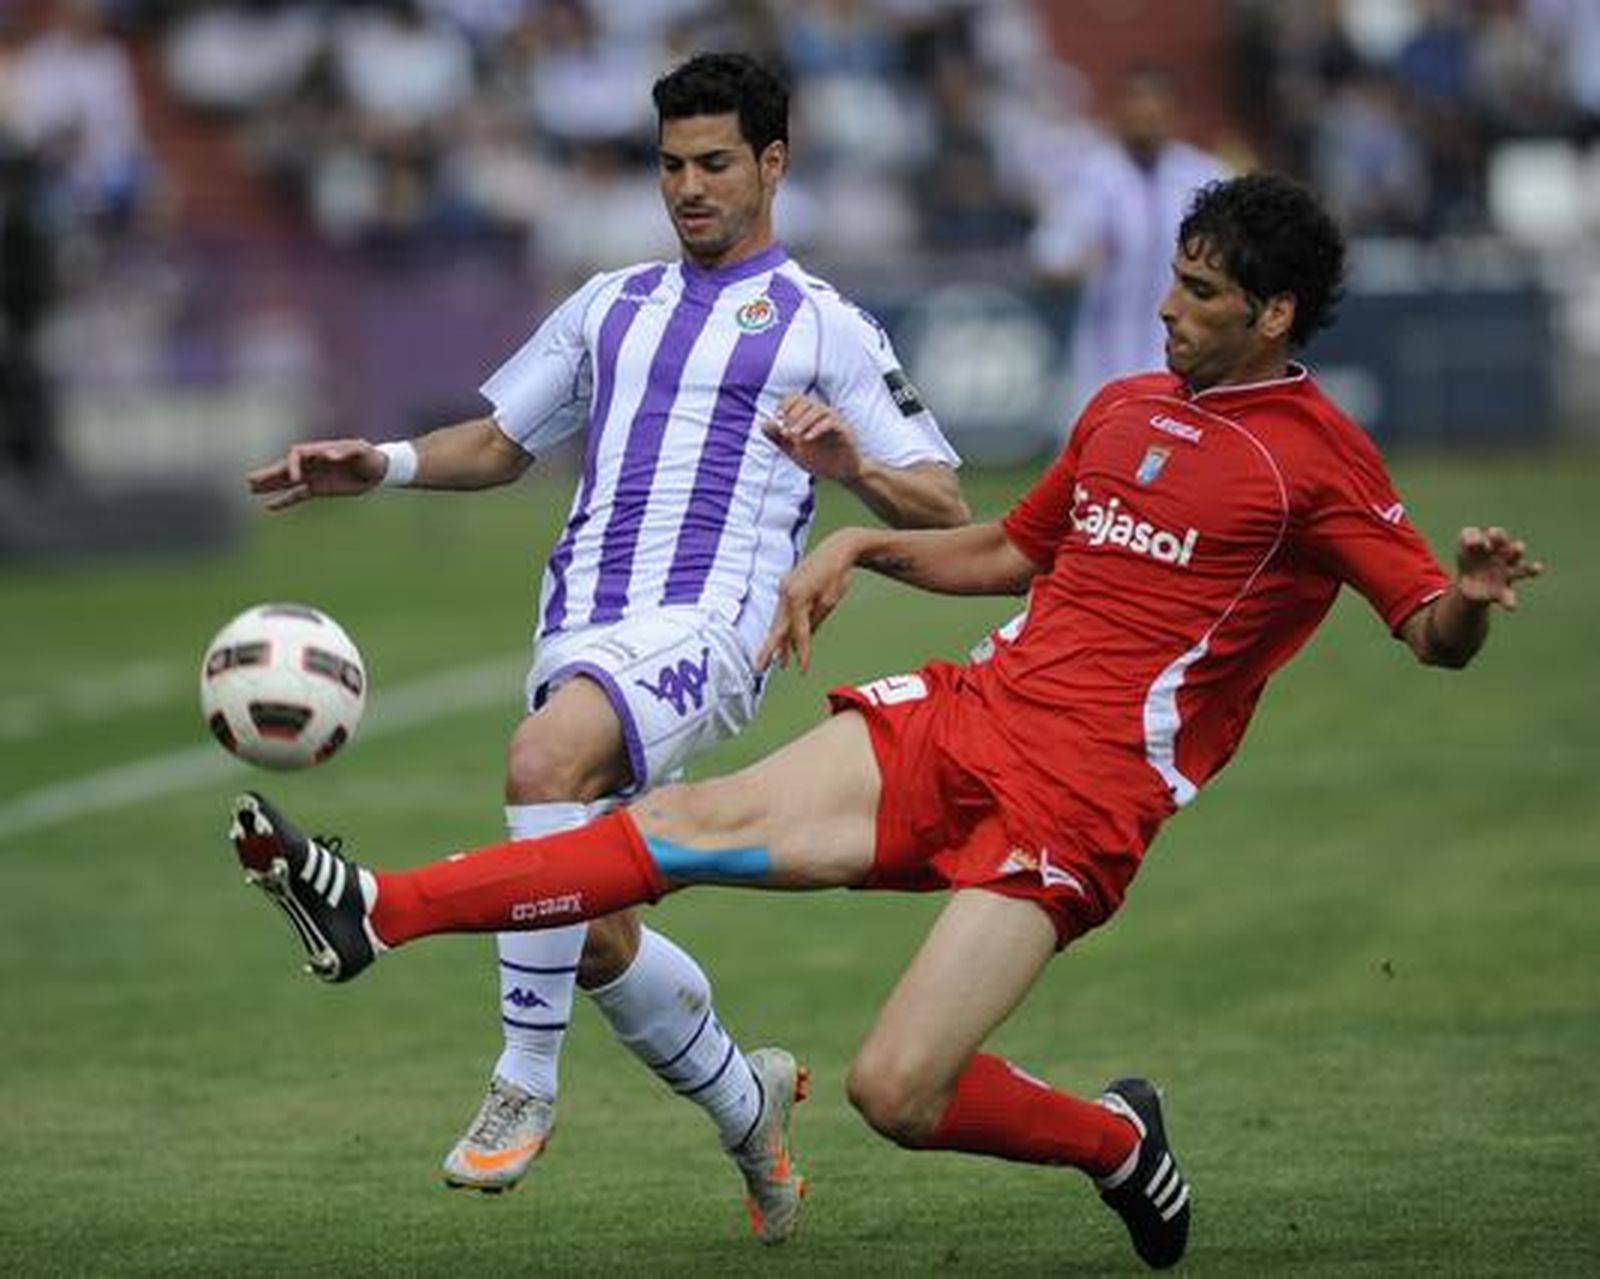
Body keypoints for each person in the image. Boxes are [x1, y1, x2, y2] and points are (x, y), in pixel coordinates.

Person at [228, 173, 1542, 1270]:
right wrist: (857, 523)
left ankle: (1116, 1139)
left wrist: (1470, 600)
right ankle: (376, 907)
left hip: (1081, 801)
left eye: (1200, 292)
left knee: (895, 1090)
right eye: (1174, 280)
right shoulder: (1123, 406)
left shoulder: (1316, 457)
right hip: (969, 715)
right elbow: (1013, 552)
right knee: (674, 823)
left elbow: (1428, 632)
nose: (1166, 307)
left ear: (1273, 313)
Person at [242, 51, 967, 1242]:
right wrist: (382, 462)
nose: (688, 187)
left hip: (711, 628)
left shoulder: (826, 325)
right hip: (577, 623)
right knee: (583, 920)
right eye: (671, 165)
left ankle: (523, 1077)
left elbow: (940, 500)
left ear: (773, 163)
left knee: (541, 762)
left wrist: (850, 468)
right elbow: (501, 443)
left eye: (715, 163)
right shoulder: (609, 304)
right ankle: (746, 1108)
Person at [1030, 65, 1230, 420]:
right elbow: (1049, 259)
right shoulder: (1091, 175)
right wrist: (1078, 264)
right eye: (1135, 108)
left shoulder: (1204, 175)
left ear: (1174, 114)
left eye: (1155, 110)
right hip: (1103, 359)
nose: (1145, 119)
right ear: (1117, 113)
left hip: (1183, 358)